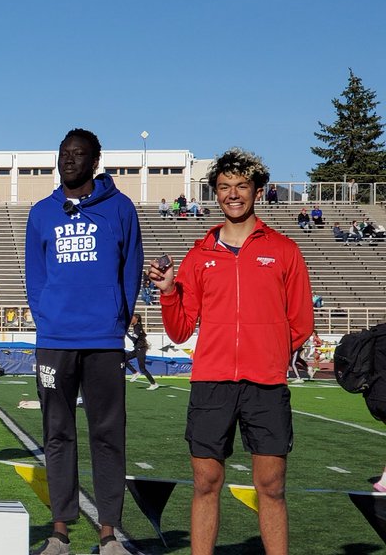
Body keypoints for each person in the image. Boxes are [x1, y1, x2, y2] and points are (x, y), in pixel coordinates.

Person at [151, 147, 313, 555]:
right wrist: (168, 291)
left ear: (257, 192)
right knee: (205, 483)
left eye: (241, 186)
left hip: (266, 385)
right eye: (224, 187)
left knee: (271, 486)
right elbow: (180, 329)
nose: (233, 194)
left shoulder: (285, 250)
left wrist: (269, 354)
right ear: (215, 193)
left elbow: (301, 322)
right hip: (212, 382)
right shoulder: (198, 255)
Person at [25, 129, 142, 555]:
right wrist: (48, 318)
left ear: (95, 161)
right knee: (57, 433)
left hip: (103, 341)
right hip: (55, 340)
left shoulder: (121, 208)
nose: (69, 160)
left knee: (108, 434)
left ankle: (108, 533)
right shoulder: (41, 213)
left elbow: (131, 268)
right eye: (64, 153)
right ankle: (60, 531)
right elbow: (35, 276)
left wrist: (114, 319)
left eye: (78, 154)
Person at [124, 314, 158, 389]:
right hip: (137, 349)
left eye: (132, 318)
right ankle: (135, 372)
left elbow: (134, 339)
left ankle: (154, 383)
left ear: (136, 319)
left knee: (142, 368)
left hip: (141, 349)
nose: (131, 319)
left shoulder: (138, 327)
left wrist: (126, 333)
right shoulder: (135, 327)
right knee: (123, 359)